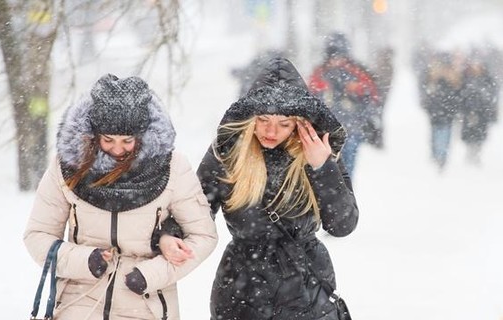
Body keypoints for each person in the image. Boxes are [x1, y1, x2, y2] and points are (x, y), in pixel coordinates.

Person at [160, 57, 359, 319]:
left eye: (284, 123)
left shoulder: (320, 153)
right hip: (242, 288)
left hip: (306, 288)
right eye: (263, 119)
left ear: (301, 123)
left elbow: (342, 225)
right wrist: (169, 235)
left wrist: (321, 167)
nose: (271, 131)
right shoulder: (228, 152)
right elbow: (197, 206)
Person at [23, 74, 218, 320]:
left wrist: (151, 275)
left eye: (127, 141)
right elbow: (38, 236)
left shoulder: (173, 167)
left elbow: (203, 235)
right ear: (94, 135)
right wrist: (86, 261)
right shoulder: (67, 166)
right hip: (79, 300)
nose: (117, 150)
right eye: (108, 140)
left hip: (147, 304)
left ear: (143, 135)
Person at [309, 32, 381, 179]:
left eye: (339, 55)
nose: (336, 60)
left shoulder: (356, 72)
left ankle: (344, 198)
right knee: (327, 174)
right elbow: (310, 97)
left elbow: (371, 97)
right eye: (333, 55)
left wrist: (355, 100)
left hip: (350, 131)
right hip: (326, 133)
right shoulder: (320, 73)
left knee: (346, 171)